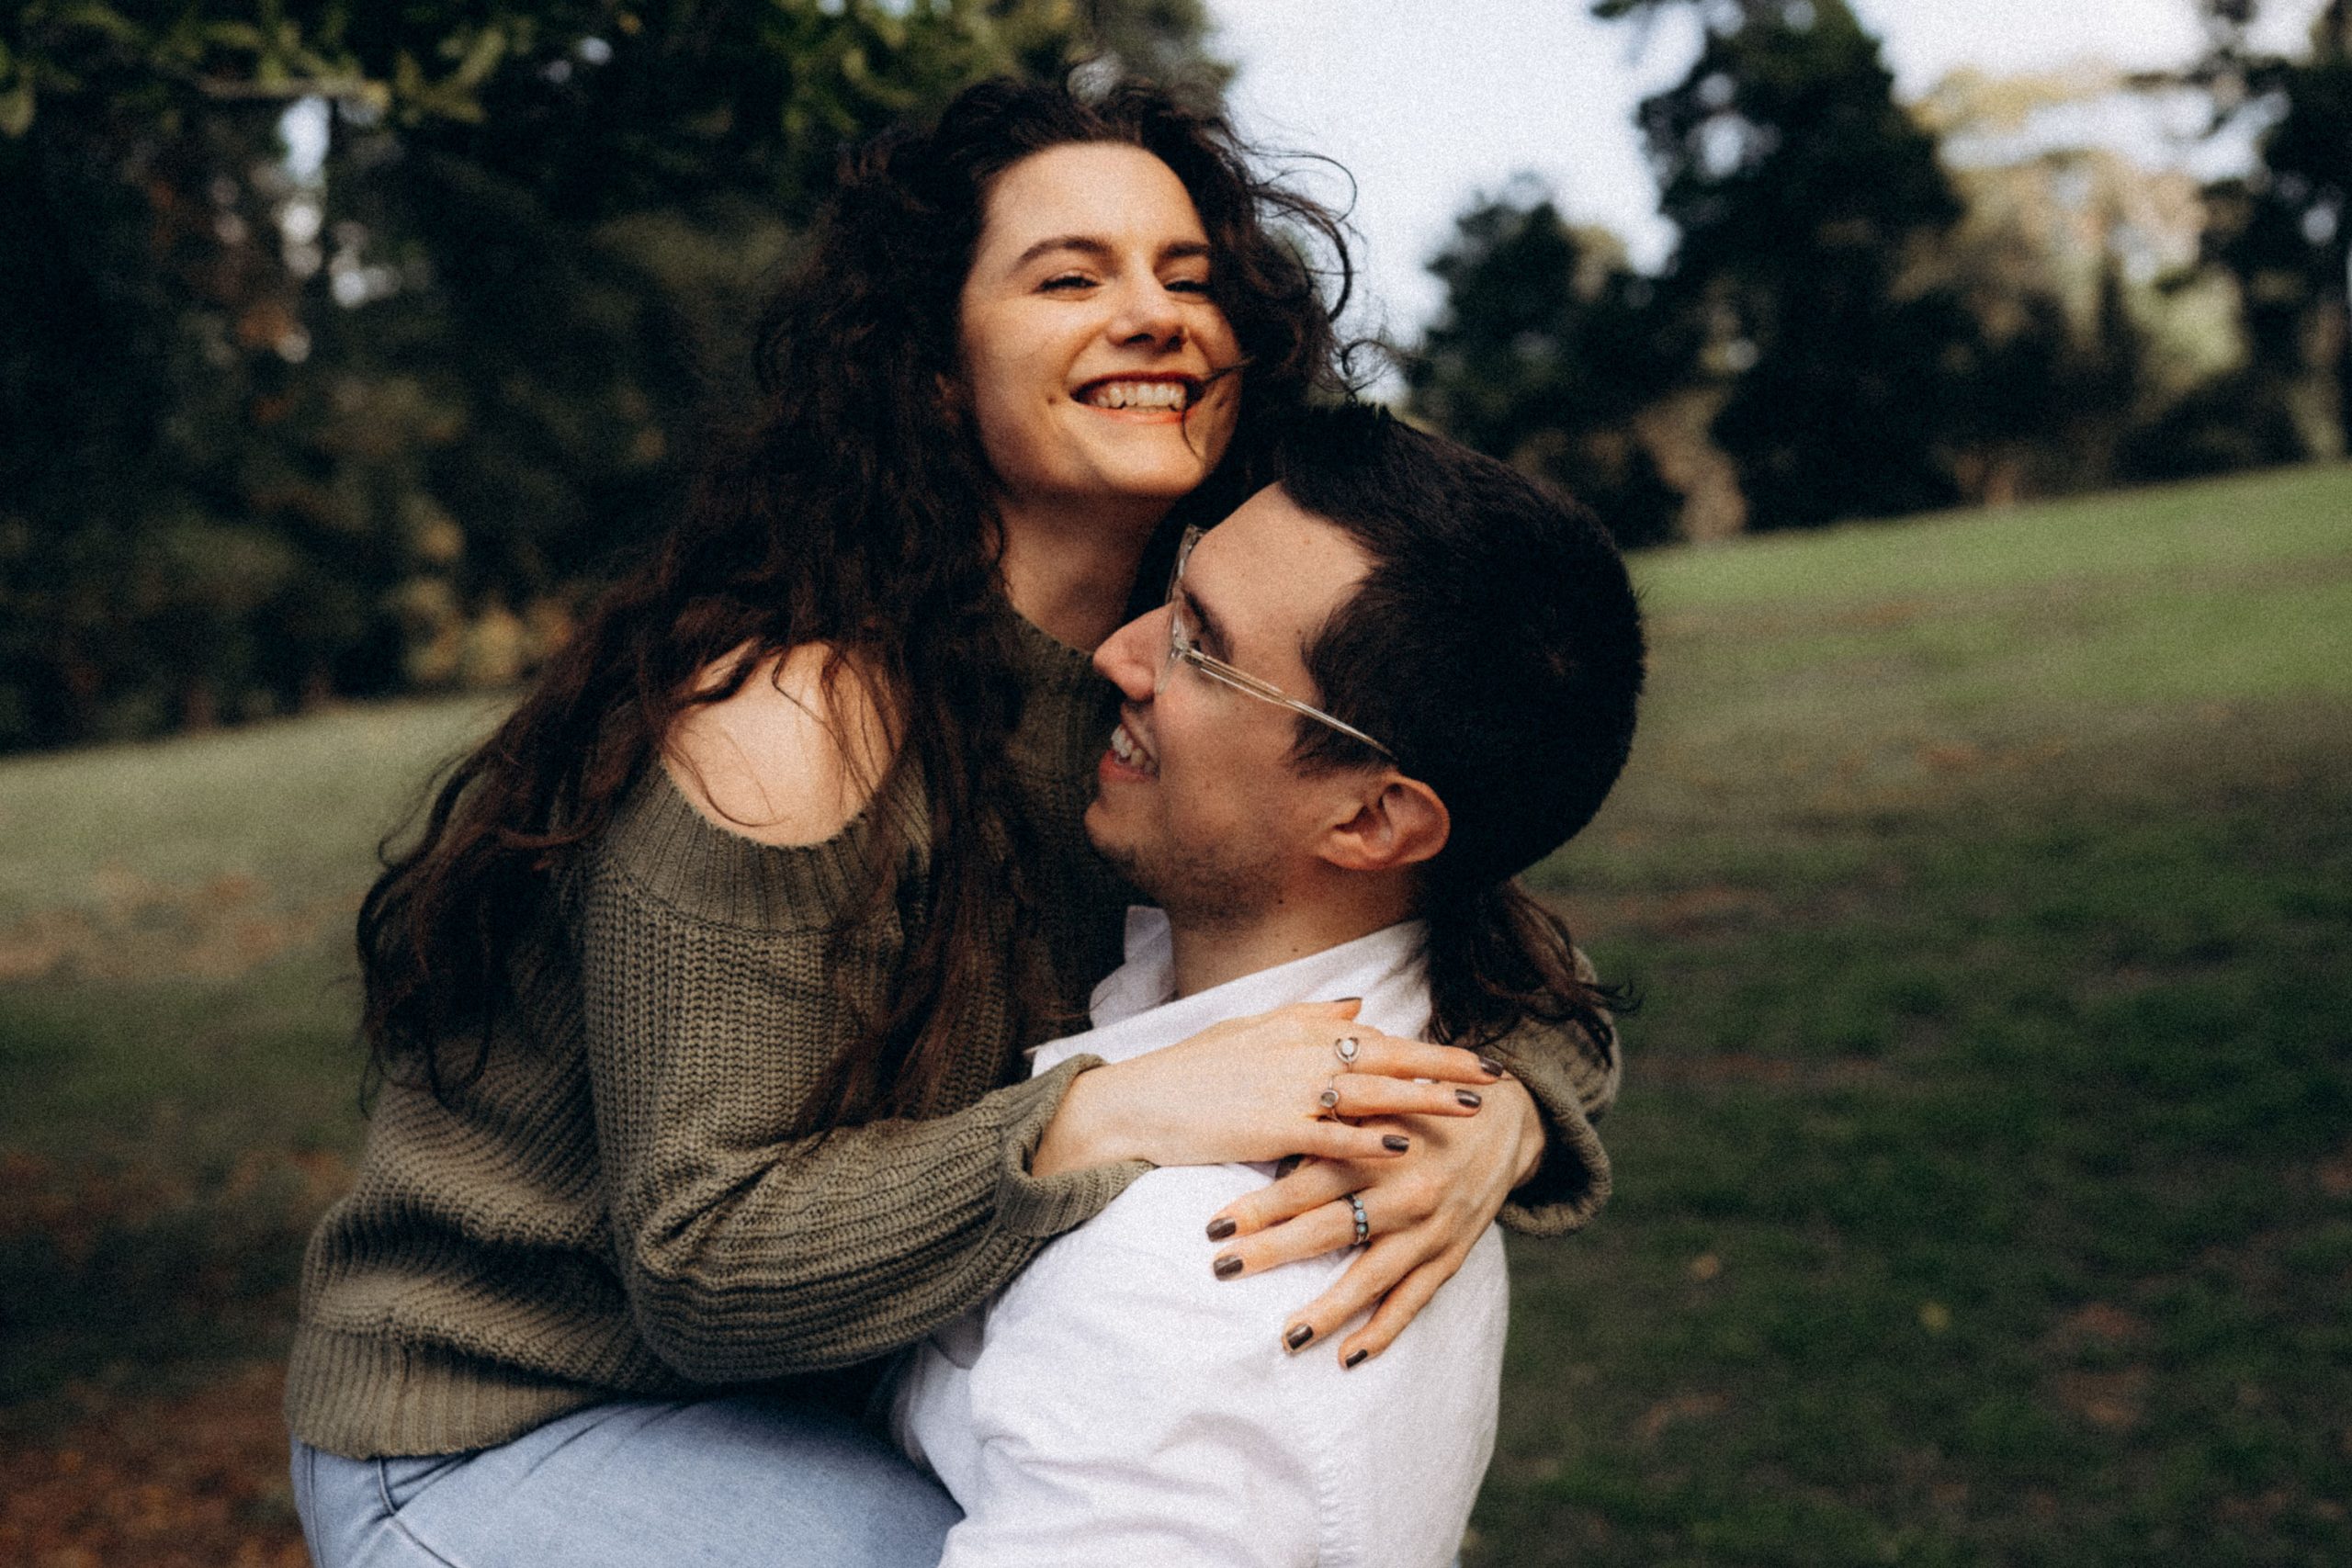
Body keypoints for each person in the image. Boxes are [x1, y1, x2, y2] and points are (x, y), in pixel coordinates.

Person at [286, 77, 1619, 1568]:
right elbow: (705, 1270)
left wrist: (1499, 1118)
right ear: (931, 369)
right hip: (515, 1418)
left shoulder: (1207, 678)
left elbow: (1477, 905)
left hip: (828, 1397)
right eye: (1072, 276)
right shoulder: (798, 728)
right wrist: (1102, 1111)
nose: (1155, 315)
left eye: (1190, 278)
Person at [889, 402, 1643, 1566]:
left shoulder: (1189, 1272)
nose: (1118, 654)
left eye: (1200, 646)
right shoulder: (1405, 1024)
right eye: (1178, 581)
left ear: (1373, 816)